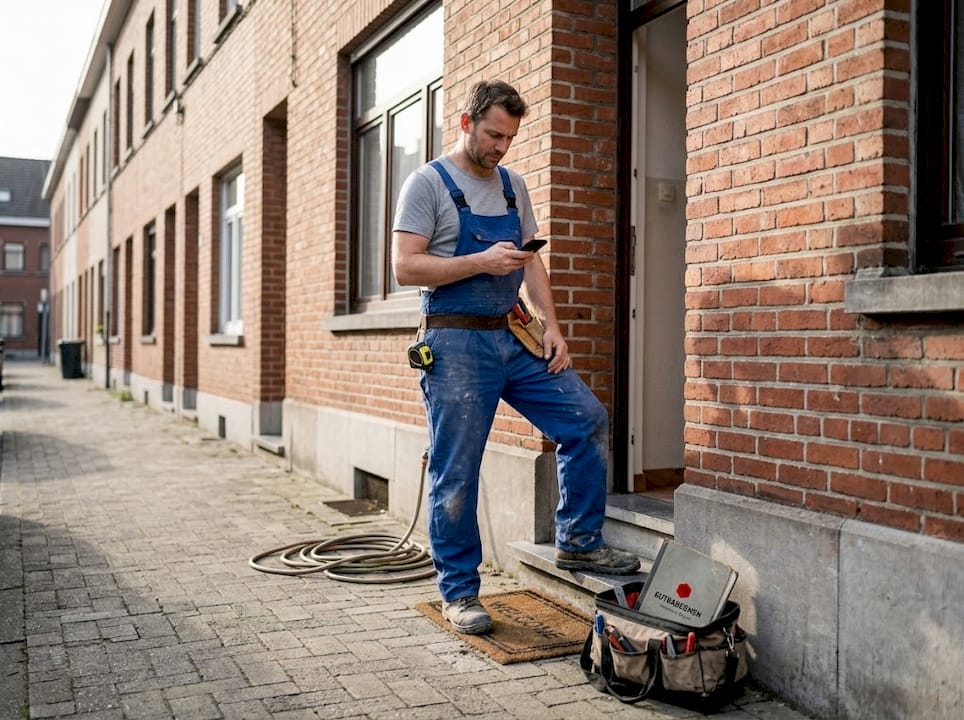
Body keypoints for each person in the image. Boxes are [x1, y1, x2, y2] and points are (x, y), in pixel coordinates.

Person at [392, 80, 639, 635]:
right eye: (493, 134)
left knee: (585, 420)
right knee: (458, 471)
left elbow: (529, 263)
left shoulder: (512, 186)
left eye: (509, 138)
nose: (501, 147)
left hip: (514, 337)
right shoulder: (426, 183)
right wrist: (480, 261)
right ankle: (459, 593)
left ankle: (578, 542)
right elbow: (405, 268)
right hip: (454, 344)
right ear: (466, 122)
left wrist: (553, 326)